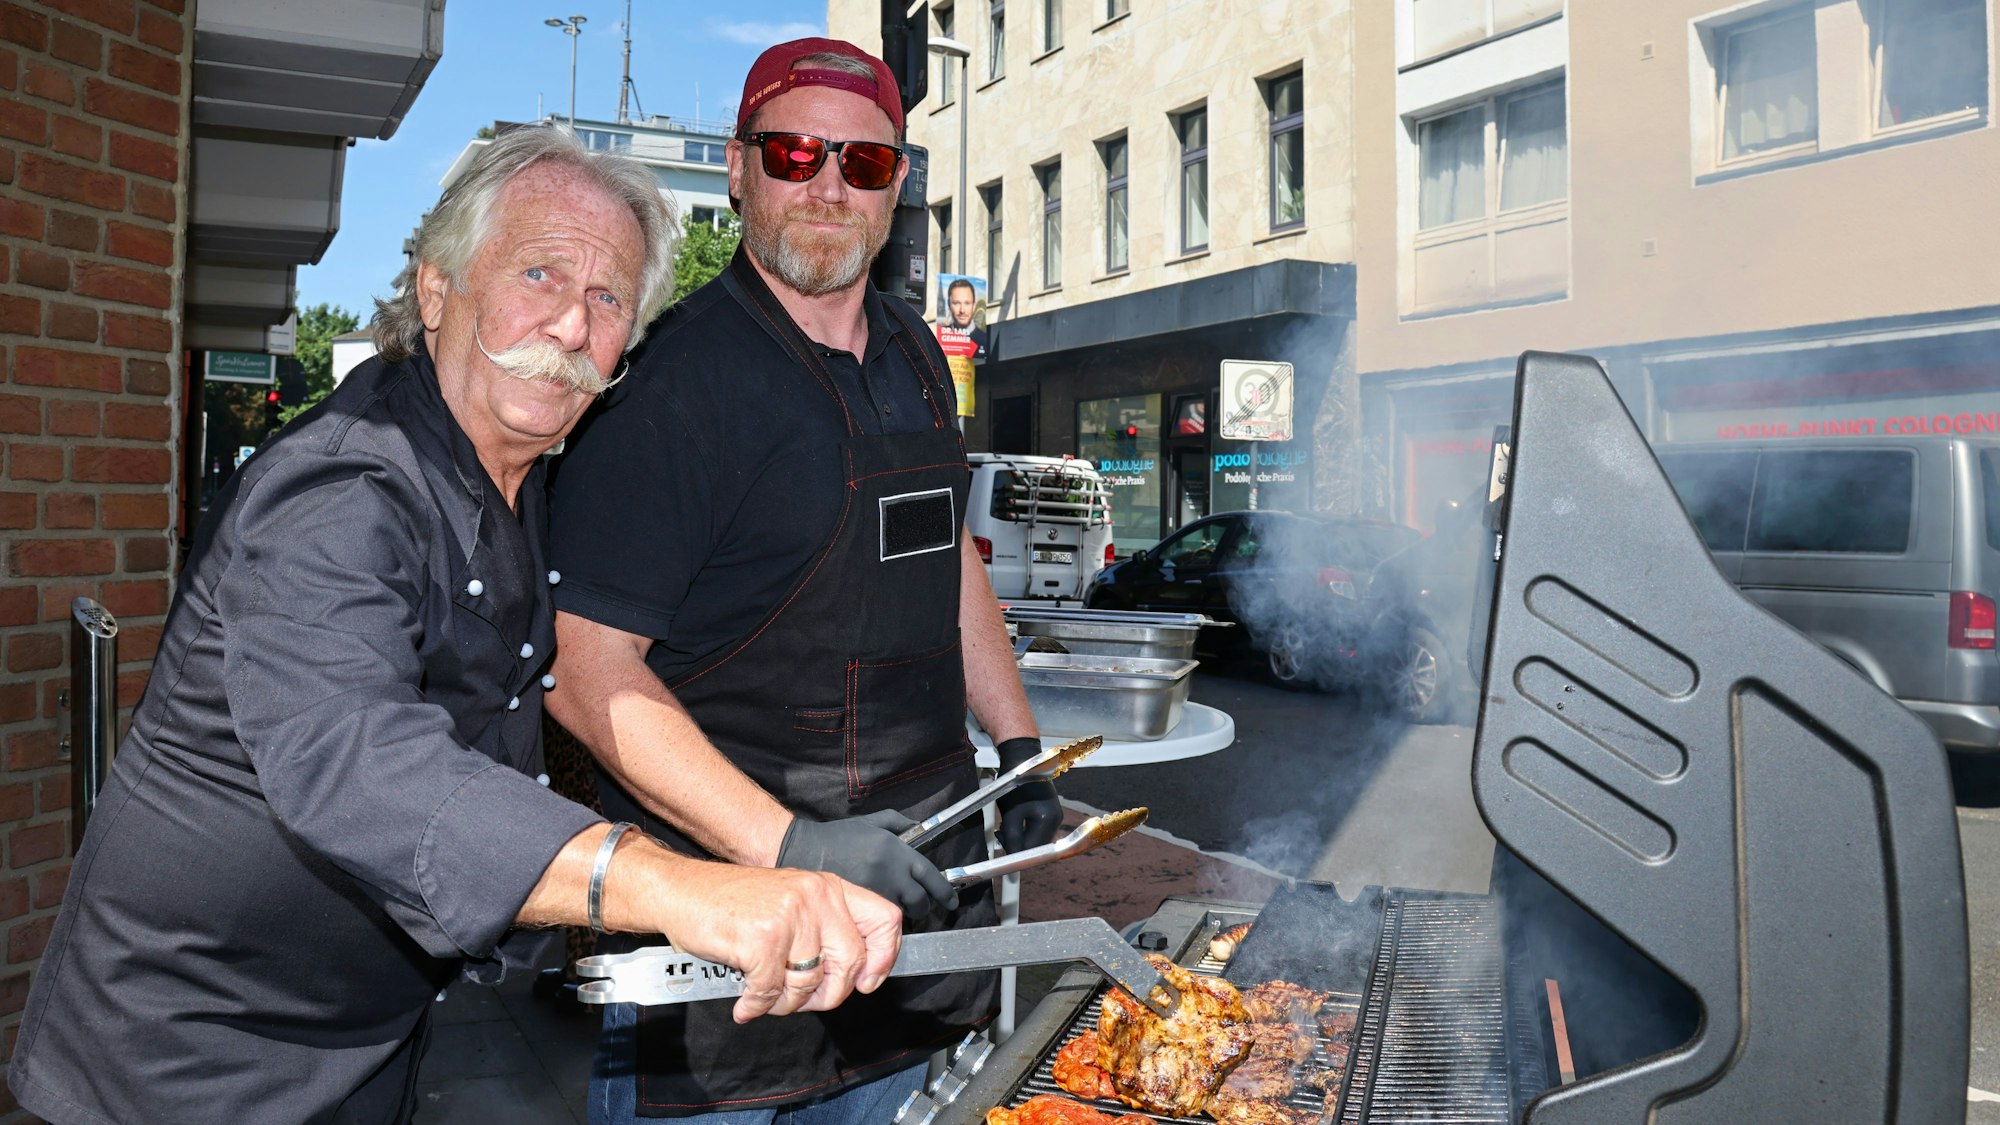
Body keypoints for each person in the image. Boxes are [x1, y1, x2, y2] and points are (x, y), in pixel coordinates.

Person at [6, 126, 902, 1125]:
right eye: (537, 273)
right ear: (437, 291)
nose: (569, 324)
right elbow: (362, 761)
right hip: (186, 1069)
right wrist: (674, 886)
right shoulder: (340, 488)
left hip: (363, 1046)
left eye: (608, 299)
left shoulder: (515, 470)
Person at [545, 38, 1062, 1124]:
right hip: (732, 950)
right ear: (737, 170)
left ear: (898, 185)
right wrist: (791, 846)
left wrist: (1015, 748)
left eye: (861, 164)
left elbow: (946, 561)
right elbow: (582, 670)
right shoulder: (671, 387)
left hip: (906, 932)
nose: (826, 185)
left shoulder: (916, 352)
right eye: (791, 154)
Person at [943, 277, 989, 360]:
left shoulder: (984, 341)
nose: (962, 310)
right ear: (949, 305)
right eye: (956, 303)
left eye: (967, 303)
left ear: (974, 306)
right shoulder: (940, 341)